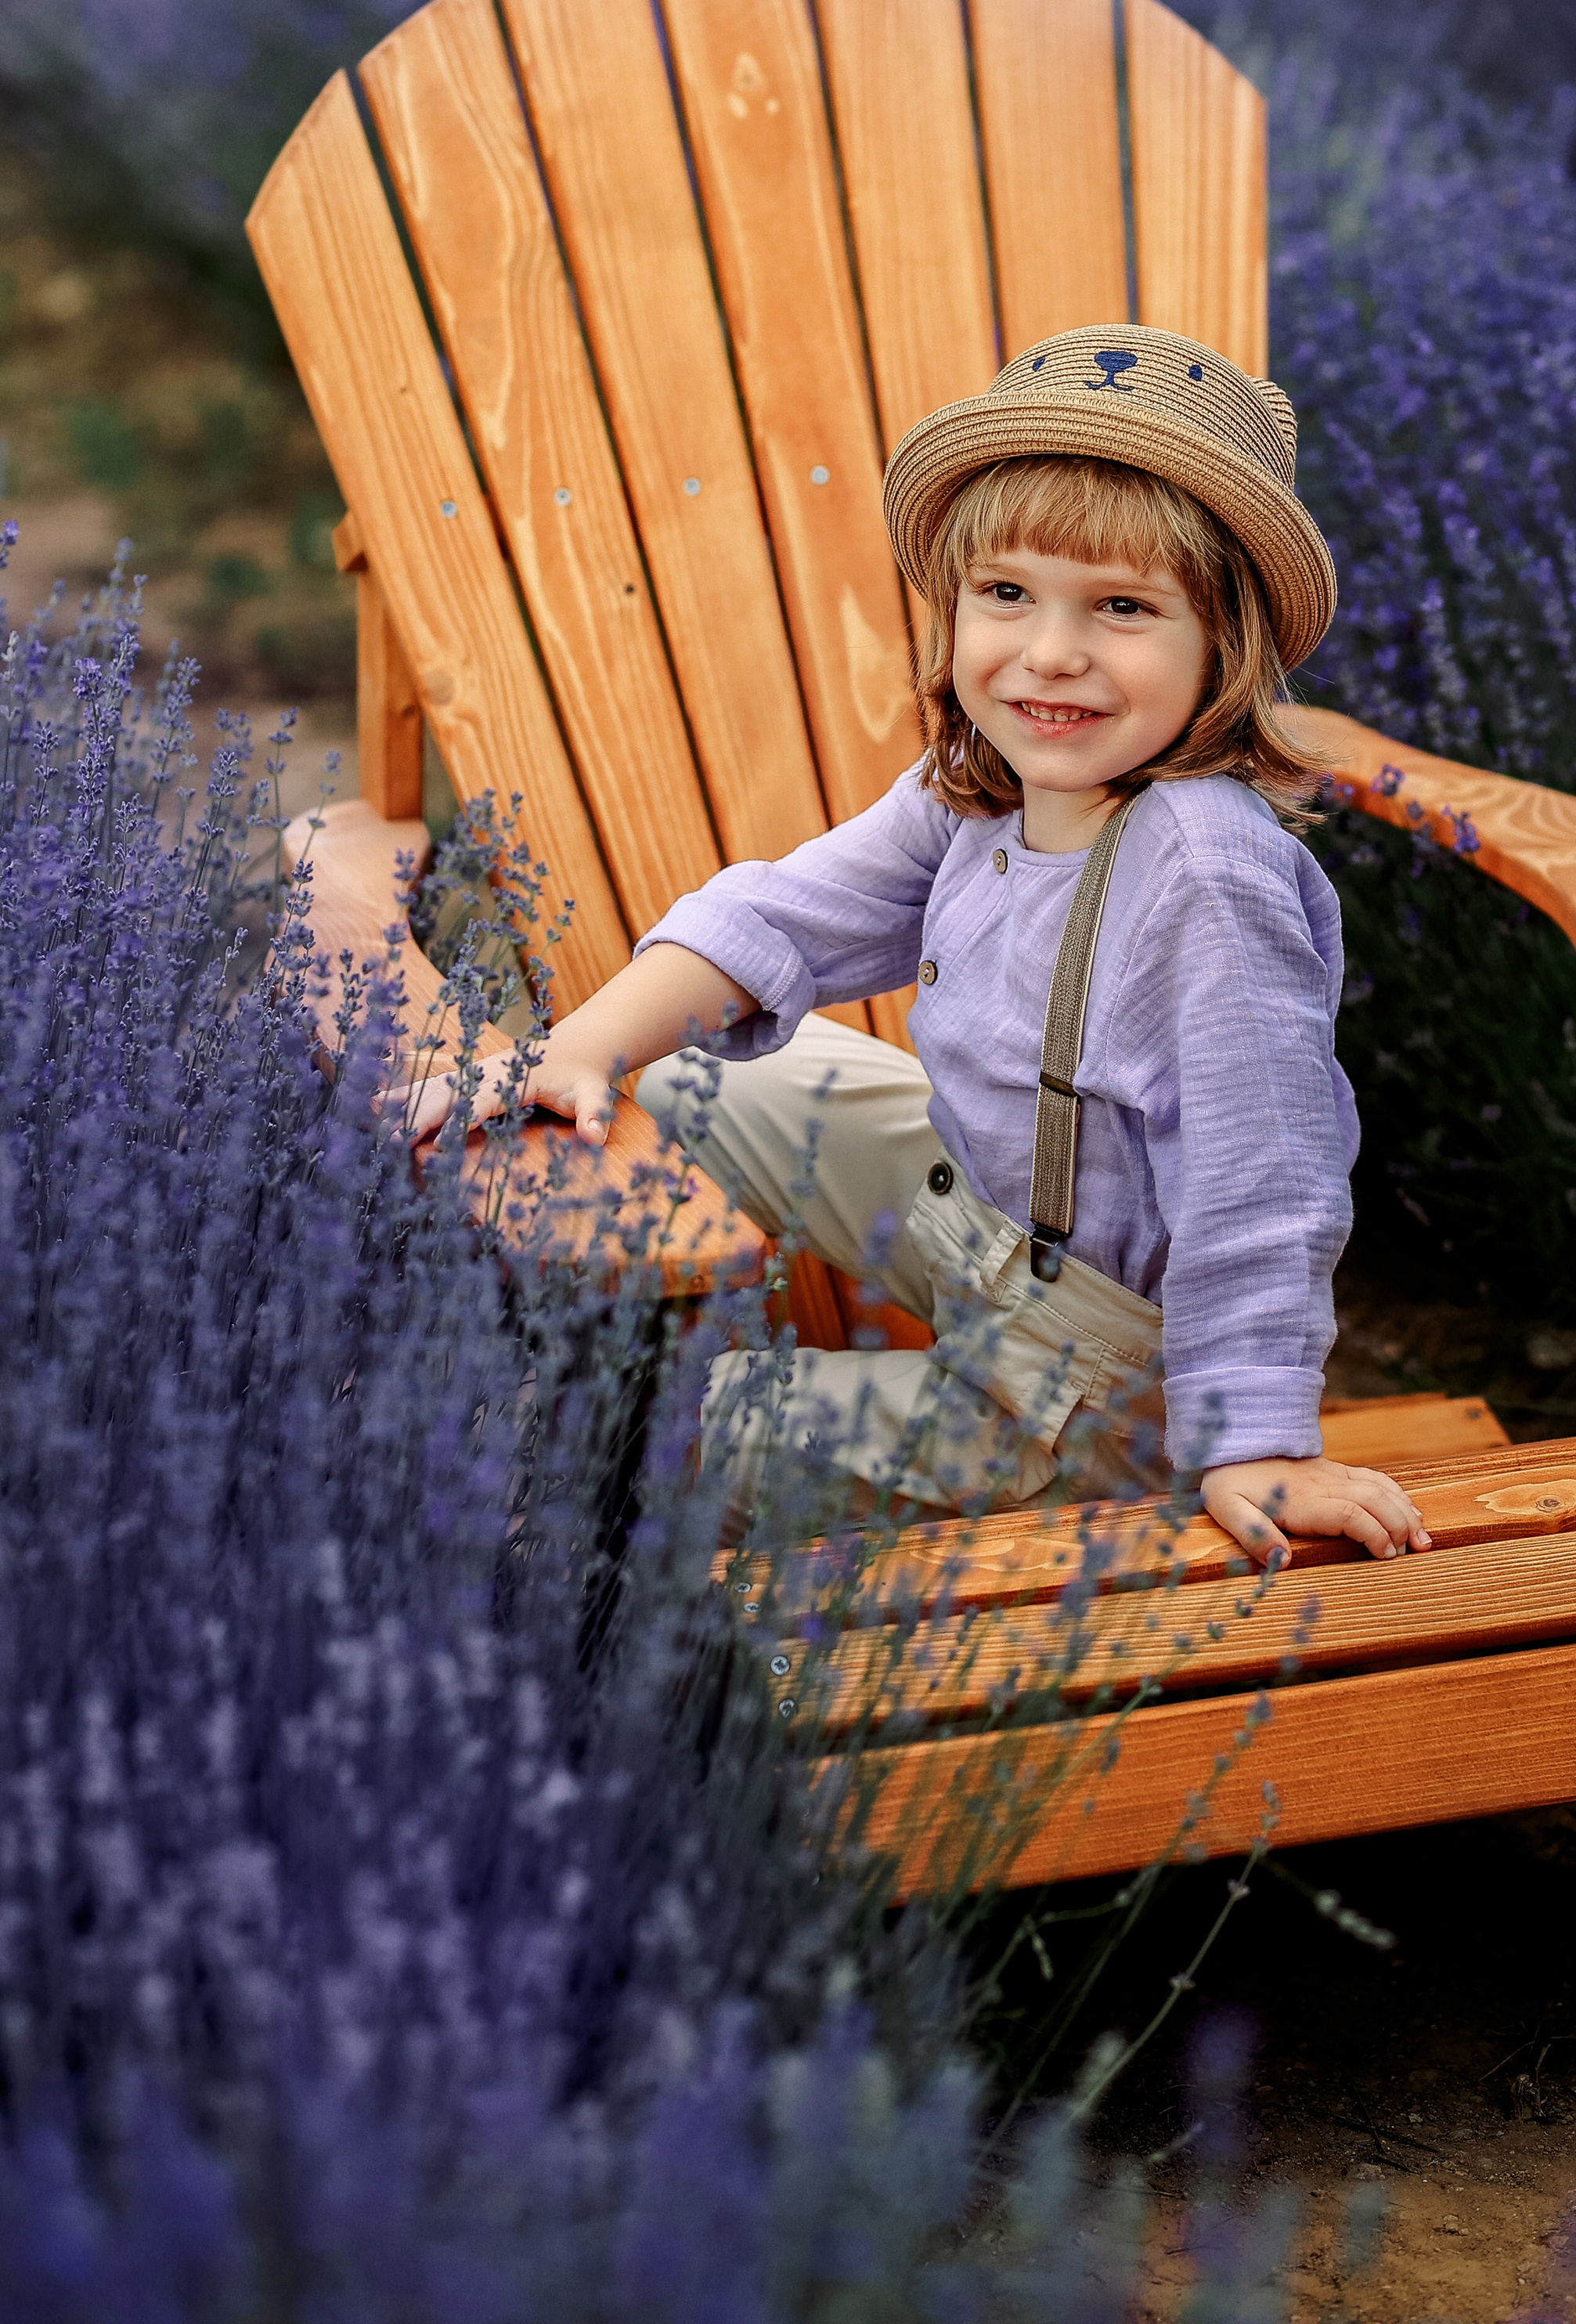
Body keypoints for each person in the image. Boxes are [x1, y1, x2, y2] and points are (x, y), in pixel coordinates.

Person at [408, 323, 1427, 1573]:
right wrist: (581, 1046)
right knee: (689, 1075)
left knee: (688, 1434)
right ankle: (487, 1323)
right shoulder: (985, 784)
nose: (1050, 653)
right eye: (1007, 594)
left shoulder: (1207, 877)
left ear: (1228, 644)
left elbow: (1261, 1180)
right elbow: (785, 914)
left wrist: (1255, 1439)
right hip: (983, 1214)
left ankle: (570, 1479)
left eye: (1122, 608)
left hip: (1087, 1379)